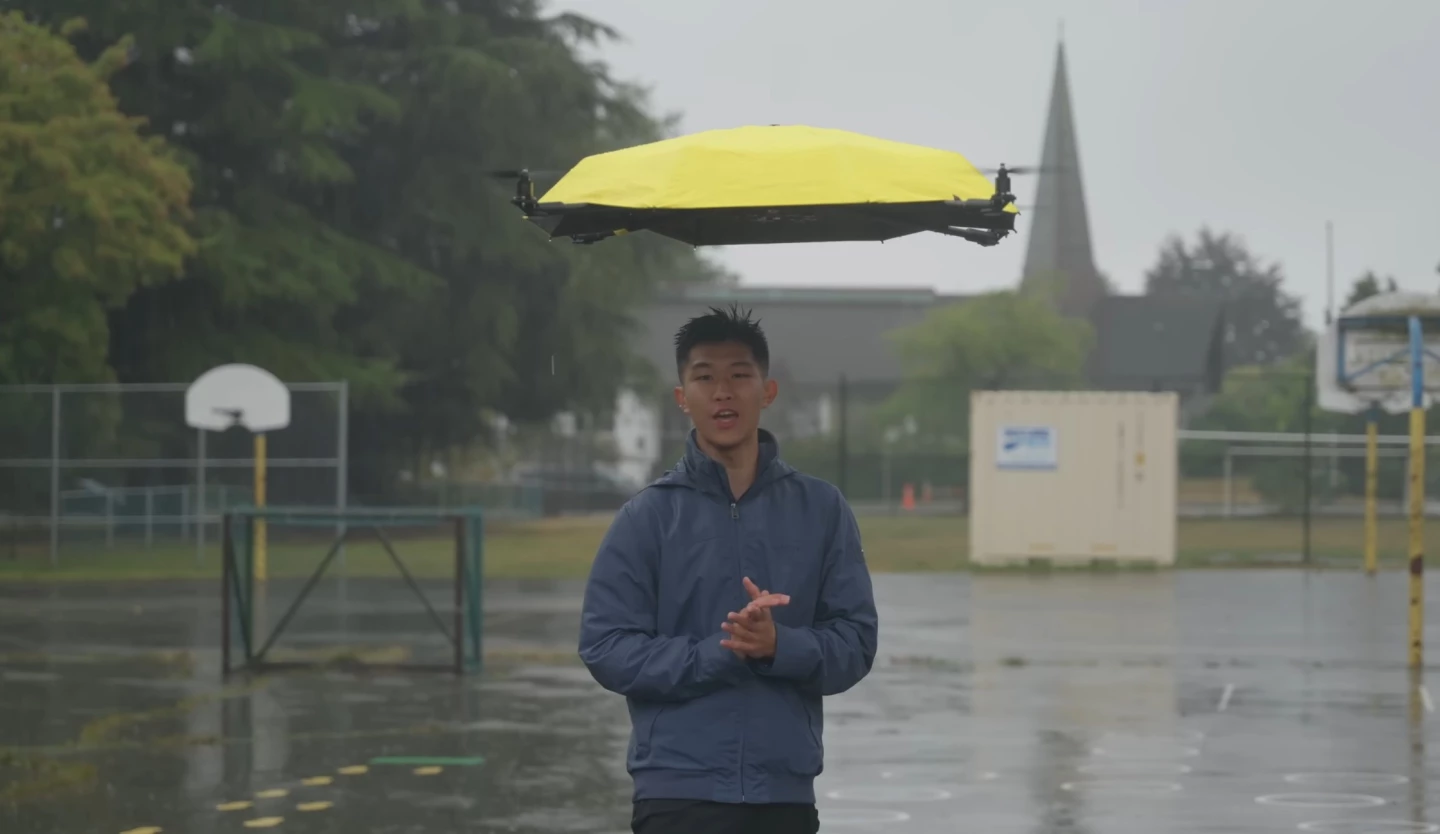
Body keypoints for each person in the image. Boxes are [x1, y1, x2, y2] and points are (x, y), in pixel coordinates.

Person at [578, 305, 879, 834]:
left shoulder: (822, 509)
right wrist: (716, 653)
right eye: (704, 378)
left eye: (740, 376)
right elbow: (605, 645)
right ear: (682, 399)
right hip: (675, 793)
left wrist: (778, 647)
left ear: (768, 392)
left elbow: (855, 643)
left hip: (783, 794)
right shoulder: (647, 516)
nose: (723, 392)